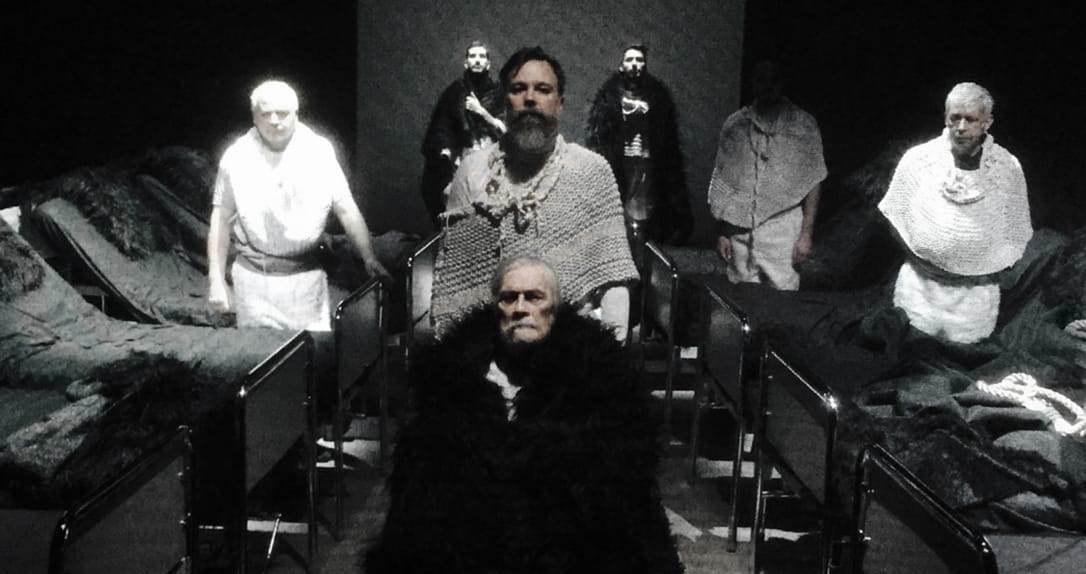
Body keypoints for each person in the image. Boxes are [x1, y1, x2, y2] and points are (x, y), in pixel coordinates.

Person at [366, 256, 682, 574]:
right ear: (496, 309)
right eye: (508, 298)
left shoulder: (602, 391)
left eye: (534, 297)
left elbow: (632, 516)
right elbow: (414, 514)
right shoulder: (447, 389)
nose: (520, 308)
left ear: (555, 309)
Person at [431, 46, 639, 340]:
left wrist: (609, 357)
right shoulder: (472, 170)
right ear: (504, 101)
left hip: (572, 347)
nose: (530, 98)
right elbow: (455, 287)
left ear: (559, 103)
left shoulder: (592, 171)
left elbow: (614, 280)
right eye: (518, 89)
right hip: (491, 345)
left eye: (543, 89)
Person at [207, 79, 388, 331]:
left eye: (282, 113)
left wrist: (368, 256)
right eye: (265, 114)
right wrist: (216, 279)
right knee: (264, 354)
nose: (274, 120)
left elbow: (346, 208)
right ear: (254, 117)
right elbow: (221, 217)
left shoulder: (319, 151)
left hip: (306, 281)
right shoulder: (236, 157)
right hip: (254, 282)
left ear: (296, 114)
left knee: (313, 350)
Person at [878, 82, 1032, 343]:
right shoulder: (918, 160)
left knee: (961, 357)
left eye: (970, 119)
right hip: (920, 287)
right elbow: (895, 215)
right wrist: (924, 262)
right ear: (945, 118)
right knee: (911, 351)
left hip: (975, 296)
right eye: (954, 118)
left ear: (987, 122)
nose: (961, 127)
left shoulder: (1008, 168)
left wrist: (987, 268)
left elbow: (1016, 230)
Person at [707, 60, 826, 290]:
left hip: (782, 230)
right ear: (753, 83)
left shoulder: (802, 125)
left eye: (774, 80)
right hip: (739, 230)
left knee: (782, 299)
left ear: (782, 83)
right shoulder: (736, 125)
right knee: (740, 298)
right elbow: (722, 180)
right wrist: (721, 231)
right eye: (761, 79)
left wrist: (806, 234)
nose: (768, 86)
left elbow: (814, 180)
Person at [586, 43, 693, 245]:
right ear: (621, 65)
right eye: (630, 59)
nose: (634, 64)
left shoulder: (657, 98)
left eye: (639, 60)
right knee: (621, 197)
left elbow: (665, 134)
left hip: (647, 159)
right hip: (620, 160)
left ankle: (646, 237)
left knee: (646, 201)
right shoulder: (609, 98)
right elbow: (601, 134)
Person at [420, 41, 507, 227]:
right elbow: (441, 126)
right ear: (466, 63)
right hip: (462, 158)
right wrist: (445, 150)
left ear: (488, 64)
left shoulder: (499, 93)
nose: (477, 60)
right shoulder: (455, 92)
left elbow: (507, 131)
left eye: (482, 56)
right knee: (445, 191)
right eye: (473, 56)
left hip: (493, 158)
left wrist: (481, 112)